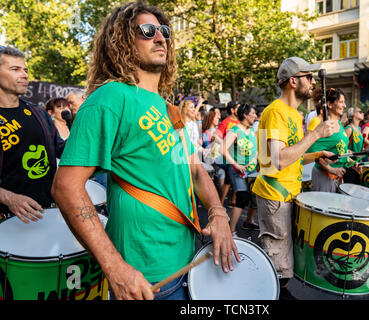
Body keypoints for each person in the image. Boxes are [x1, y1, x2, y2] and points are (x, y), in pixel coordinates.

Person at [51, 2, 239, 300]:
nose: (161, 37)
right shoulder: (110, 98)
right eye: (148, 31)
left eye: (163, 31)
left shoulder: (167, 107)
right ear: (123, 40)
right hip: (144, 278)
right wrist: (115, 268)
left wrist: (218, 213)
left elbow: (195, 169)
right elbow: (66, 188)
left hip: (185, 263)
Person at [251, 56, 339, 300]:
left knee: (285, 264)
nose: (312, 82)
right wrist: (315, 134)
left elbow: (293, 156)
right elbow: (277, 160)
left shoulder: (293, 114)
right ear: (293, 81)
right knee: (278, 268)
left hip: (287, 194)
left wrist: (319, 154)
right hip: (275, 195)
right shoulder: (275, 112)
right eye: (308, 77)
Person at [0, 45, 65, 223]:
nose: (25, 75)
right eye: (15, 69)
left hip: (45, 211)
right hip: (6, 219)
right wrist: (9, 198)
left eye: (25, 70)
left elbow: (61, 148)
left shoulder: (38, 112)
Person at [308, 88, 358, 192]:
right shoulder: (323, 125)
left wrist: (351, 162)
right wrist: (332, 170)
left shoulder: (338, 123)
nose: (344, 105)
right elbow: (315, 153)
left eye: (344, 102)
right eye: (341, 102)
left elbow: (339, 149)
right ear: (329, 104)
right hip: (324, 176)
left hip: (337, 176)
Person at [222, 104, 259, 236]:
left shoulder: (253, 130)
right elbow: (223, 150)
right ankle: (230, 231)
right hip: (238, 171)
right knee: (242, 198)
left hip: (253, 170)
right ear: (245, 115)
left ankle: (248, 221)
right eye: (253, 113)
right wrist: (236, 165)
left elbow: (255, 148)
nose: (255, 116)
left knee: (255, 198)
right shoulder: (235, 130)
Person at [216, 101, 240, 205]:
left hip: (239, 154)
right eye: (238, 108)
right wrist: (226, 143)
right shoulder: (226, 122)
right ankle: (220, 204)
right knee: (229, 180)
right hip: (229, 155)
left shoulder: (241, 122)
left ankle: (233, 200)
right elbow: (216, 135)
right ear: (232, 110)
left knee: (238, 177)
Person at [343, 106, 364, 184]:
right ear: (353, 114)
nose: (363, 113)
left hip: (358, 164)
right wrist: (355, 155)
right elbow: (342, 148)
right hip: (349, 164)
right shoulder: (348, 129)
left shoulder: (359, 128)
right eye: (360, 111)